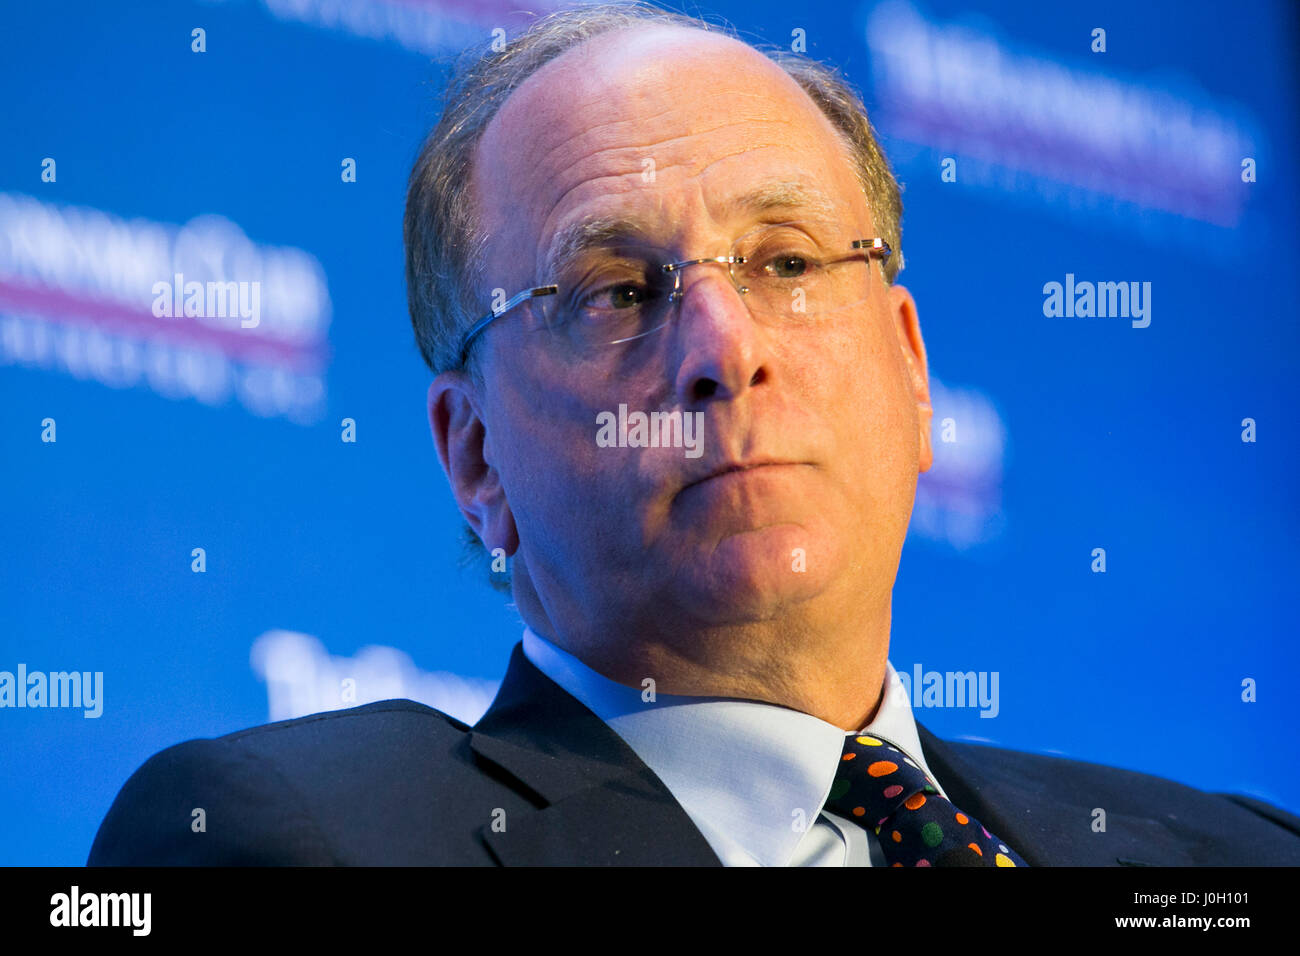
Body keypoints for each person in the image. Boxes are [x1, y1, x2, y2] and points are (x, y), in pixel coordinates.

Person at [88, 2, 1300, 866]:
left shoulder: (1229, 853)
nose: (725, 347)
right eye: (616, 289)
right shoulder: (287, 836)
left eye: (785, 260)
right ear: (474, 455)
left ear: (912, 371)